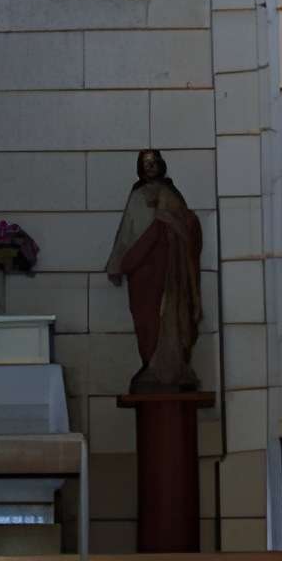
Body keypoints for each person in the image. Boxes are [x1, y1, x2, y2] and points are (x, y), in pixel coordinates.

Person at [103, 147, 203, 392]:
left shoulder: (171, 194)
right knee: (144, 315)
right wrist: (117, 262)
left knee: (168, 312)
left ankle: (170, 367)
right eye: (145, 163)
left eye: (153, 162)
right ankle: (149, 363)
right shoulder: (136, 195)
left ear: (161, 164)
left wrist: (170, 219)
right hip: (142, 271)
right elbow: (126, 232)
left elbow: (190, 227)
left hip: (167, 268)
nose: (150, 167)